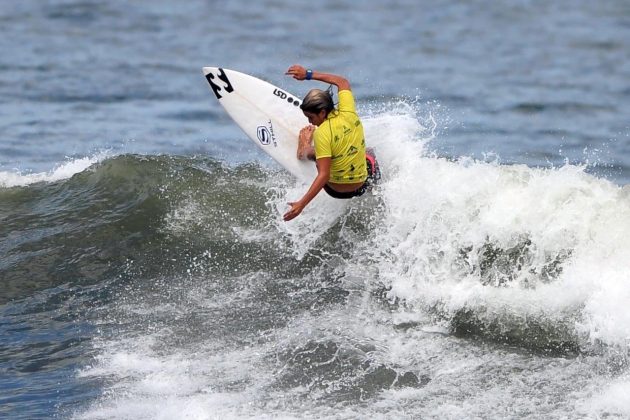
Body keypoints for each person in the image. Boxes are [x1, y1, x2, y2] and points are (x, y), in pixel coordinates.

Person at [283, 64, 379, 221]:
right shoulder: (348, 112)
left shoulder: (322, 133)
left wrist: (301, 204)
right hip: (362, 185)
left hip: (336, 190)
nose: (310, 122)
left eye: (311, 117)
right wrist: (308, 74)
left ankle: (303, 149)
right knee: (370, 153)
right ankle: (375, 189)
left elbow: (324, 175)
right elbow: (342, 82)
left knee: (314, 152)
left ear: (322, 112)